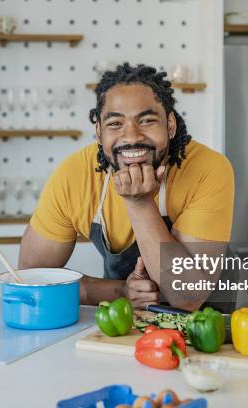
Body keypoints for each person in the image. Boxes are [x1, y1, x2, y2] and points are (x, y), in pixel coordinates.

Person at [18, 63, 234, 311]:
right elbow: (30, 278)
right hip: (124, 327)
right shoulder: (75, 175)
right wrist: (119, 292)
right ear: (99, 132)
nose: (131, 136)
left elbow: (187, 296)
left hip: (210, 328)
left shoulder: (208, 168)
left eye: (147, 120)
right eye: (115, 124)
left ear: (171, 125)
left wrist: (140, 203)